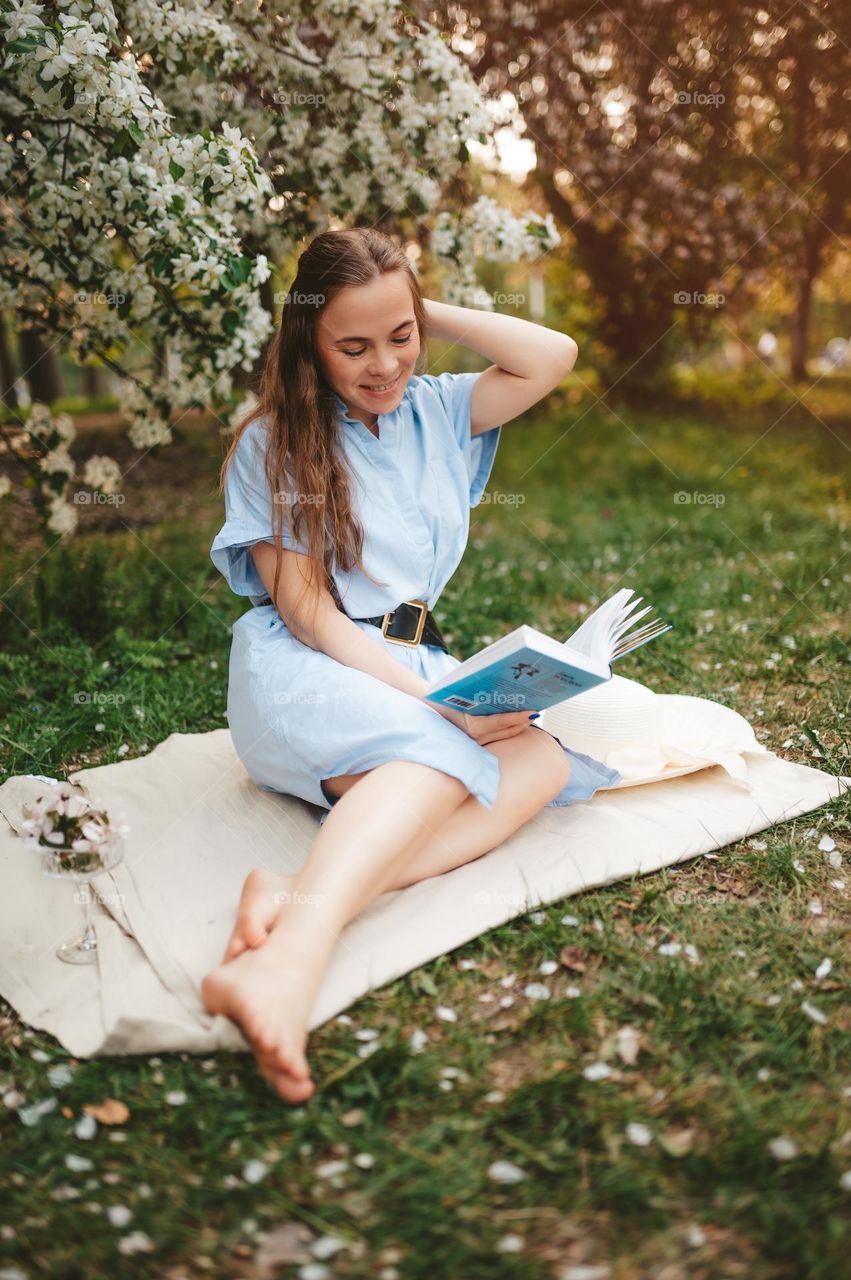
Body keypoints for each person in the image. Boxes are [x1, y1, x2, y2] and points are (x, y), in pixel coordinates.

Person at [202, 227, 620, 1102]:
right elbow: (310, 614)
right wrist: (437, 708)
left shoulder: (437, 407)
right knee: (438, 755)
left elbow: (553, 355)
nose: (384, 364)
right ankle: (287, 965)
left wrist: (417, 308)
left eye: (401, 337)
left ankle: (294, 886)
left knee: (538, 758)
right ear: (307, 344)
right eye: (353, 345)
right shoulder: (275, 443)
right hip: (307, 663)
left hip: (408, 656)